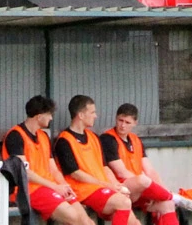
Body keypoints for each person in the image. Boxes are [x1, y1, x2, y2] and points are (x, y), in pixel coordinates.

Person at [4, 96, 96, 225]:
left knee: (87, 222)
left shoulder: (43, 136)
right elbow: (25, 172)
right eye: (49, 115)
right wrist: (54, 187)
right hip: (28, 189)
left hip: (49, 187)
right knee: (74, 218)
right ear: (39, 116)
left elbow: (53, 169)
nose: (51, 118)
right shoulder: (15, 136)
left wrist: (64, 186)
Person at [53, 96, 134, 225]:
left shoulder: (94, 137)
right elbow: (75, 174)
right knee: (124, 203)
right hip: (83, 190)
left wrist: (116, 185)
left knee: (134, 222)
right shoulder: (64, 140)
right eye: (92, 112)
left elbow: (105, 167)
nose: (95, 116)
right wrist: (107, 185)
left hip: (100, 188)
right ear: (80, 115)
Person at [102, 103, 178, 225]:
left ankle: (168, 196)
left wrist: (159, 190)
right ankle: (172, 197)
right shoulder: (108, 139)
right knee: (142, 180)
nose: (122, 125)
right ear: (116, 118)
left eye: (127, 122)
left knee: (167, 204)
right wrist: (150, 190)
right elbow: (121, 172)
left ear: (135, 123)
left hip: (139, 190)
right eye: (120, 120)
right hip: (122, 187)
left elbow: (150, 171)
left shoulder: (136, 139)